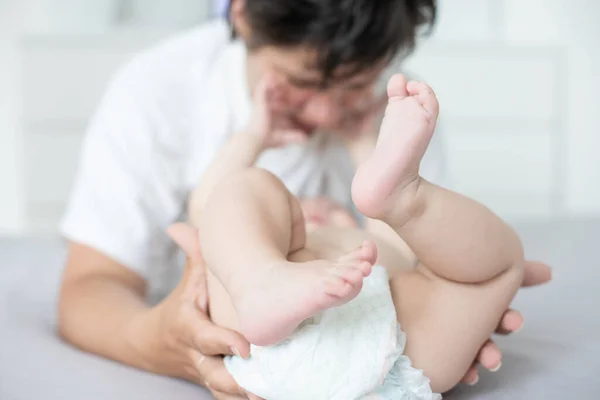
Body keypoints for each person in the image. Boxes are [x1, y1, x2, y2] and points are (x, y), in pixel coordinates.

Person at [57, 1, 552, 399]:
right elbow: (107, 274)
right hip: (259, 337)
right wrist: (254, 138)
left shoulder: (396, 105)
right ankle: (273, 274)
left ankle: (401, 200)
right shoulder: (157, 91)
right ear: (242, 13)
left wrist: (368, 153)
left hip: (393, 349)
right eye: (300, 83)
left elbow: (409, 255)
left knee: (499, 266)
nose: (325, 111)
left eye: (356, 86)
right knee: (245, 194)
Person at [182, 73, 523, 398]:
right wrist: (253, 134)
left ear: (352, 220)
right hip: (389, 351)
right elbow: (205, 209)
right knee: (498, 268)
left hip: (359, 337)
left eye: (333, 210)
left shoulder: (365, 250)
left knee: (246, 189)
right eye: (299, 207)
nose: (317, 212)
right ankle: (404, 201)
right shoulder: (283, 242)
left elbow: (214, 205)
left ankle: (397, 198)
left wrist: (363, 143)